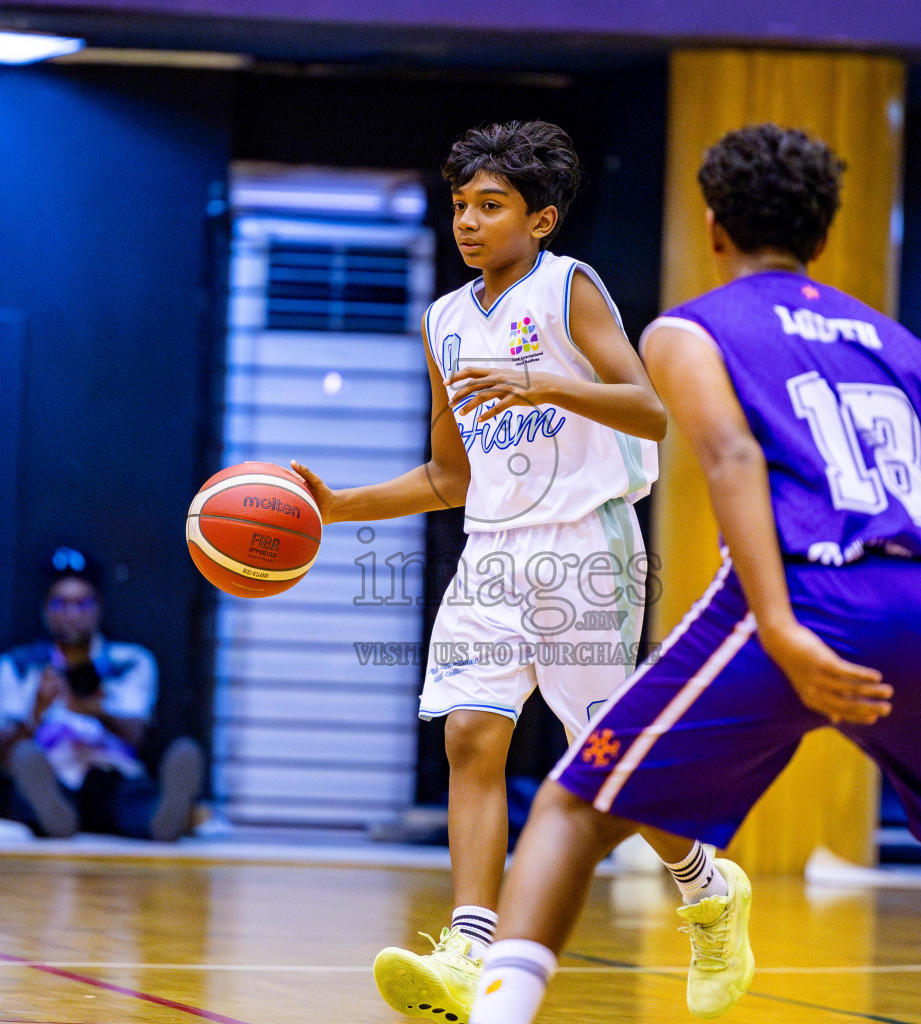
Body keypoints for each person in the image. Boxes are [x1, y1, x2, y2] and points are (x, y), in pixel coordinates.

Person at [469, 124, 921, 1024]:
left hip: (807, 594)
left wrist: (781, 627)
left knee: (573, 809)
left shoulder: (690, 330)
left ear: (712, 227)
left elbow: (733, 461)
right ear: (824, 236)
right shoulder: (909, 353)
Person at [294, 121, 737, 1022]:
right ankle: (468, 946)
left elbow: (650, 411)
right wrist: (339, 506)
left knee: (612, 764)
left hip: (585, 543)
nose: (467, 222)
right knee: (469, 736)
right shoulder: (444, 322)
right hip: (491, 550)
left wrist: (548, 386)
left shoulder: (569, 287)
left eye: (488, 206)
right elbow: (449, 477)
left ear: (539, 220)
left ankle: (707, 892)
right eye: (459, 205)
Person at [0, 546, 204, 842]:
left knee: (135, 801)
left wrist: (93, 708)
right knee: (30, 784)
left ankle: (163, 820)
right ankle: (55, 821)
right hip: (55, 772)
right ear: (44, 608)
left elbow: (137, 738)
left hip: (113, 773)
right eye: (60, 604)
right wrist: (37, 710)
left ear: (99, 606)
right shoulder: (18, 665)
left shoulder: (129, 662)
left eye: (83, 604)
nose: (72, 615)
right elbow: (5, 756)